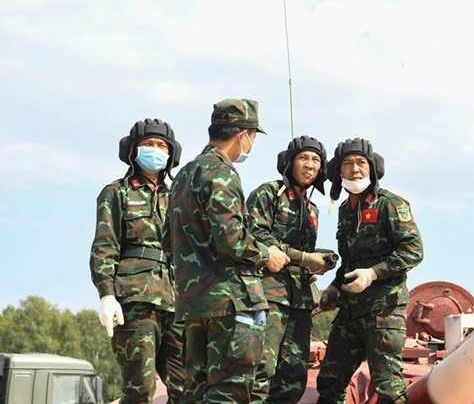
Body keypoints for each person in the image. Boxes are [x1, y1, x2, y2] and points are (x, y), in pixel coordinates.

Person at [167, 98, 290, 403]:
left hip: (195, 305)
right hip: (231, 303)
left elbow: (169, 240)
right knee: (229, 392)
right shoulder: (221, 172)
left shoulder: (184, 175)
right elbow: (231, 239)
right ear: (243, 135)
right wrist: (267, 255)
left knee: (195, 392)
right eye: (252, 137)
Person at [316, 138, 424, 404]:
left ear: (372, 168)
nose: (355, 169)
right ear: (338, 172)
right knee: (329, 384)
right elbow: (350, 262)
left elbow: (413, 251)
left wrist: (373, 273)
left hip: (383, 311)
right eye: (348, 164)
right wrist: (334, 288)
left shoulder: (389, 204)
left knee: (388, 389)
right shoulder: (345, 210)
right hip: (350, 312)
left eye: (361, 163)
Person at [89, 118, 185, 403]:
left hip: (177, 303)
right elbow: (105, 245)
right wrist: (107, 295)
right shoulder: (116, 193)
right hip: (135, 302)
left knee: (189, 389)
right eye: (148, 144)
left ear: (171, 153)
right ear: (133, 150)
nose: (155, 149)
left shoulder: (178, 197)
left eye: (161, 145)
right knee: (140, 389)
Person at [246, 136, 338, 403]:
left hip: (300, 301)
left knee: (293, 376)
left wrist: (316, 262)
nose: (309, 165)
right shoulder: (268, 194)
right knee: (260, 370)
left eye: (316, 160)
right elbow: (255, 235)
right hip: (267, 296)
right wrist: (305, 257)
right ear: (289, 162)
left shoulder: (312, 209)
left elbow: (301, 255)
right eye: (303, 158)